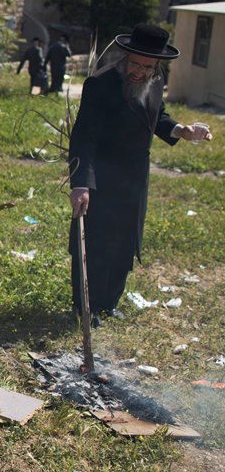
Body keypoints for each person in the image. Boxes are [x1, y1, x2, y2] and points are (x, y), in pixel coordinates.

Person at [68, 24, 213, 324]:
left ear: (157, 65)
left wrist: (182, 130)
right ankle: (86, 307)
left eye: (148, 67)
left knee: (125, 242)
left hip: (134, 178)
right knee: (96, 242)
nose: (140, 72)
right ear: (126, 57)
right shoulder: (101, 84)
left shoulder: (156, 81)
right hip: (101, 176)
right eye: (135, 64)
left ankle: (108, 303)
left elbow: (156, 116)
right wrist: (81, 183)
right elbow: (84, 137)